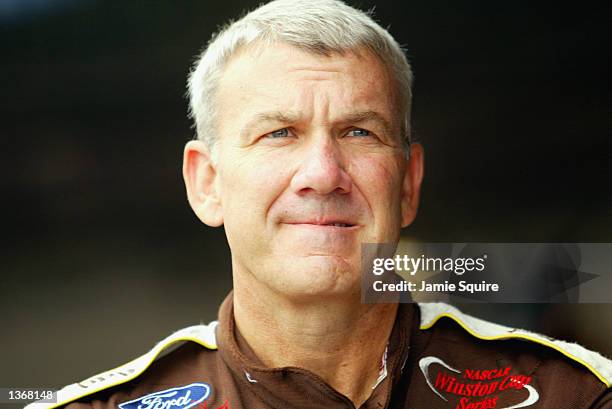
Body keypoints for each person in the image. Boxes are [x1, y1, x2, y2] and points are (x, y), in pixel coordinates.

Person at [27, 0, 612, 408]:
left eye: (359, 132)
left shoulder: (577, 396)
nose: (322, 174)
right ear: (206, 183)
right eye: (278, 133)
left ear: (407, 184)